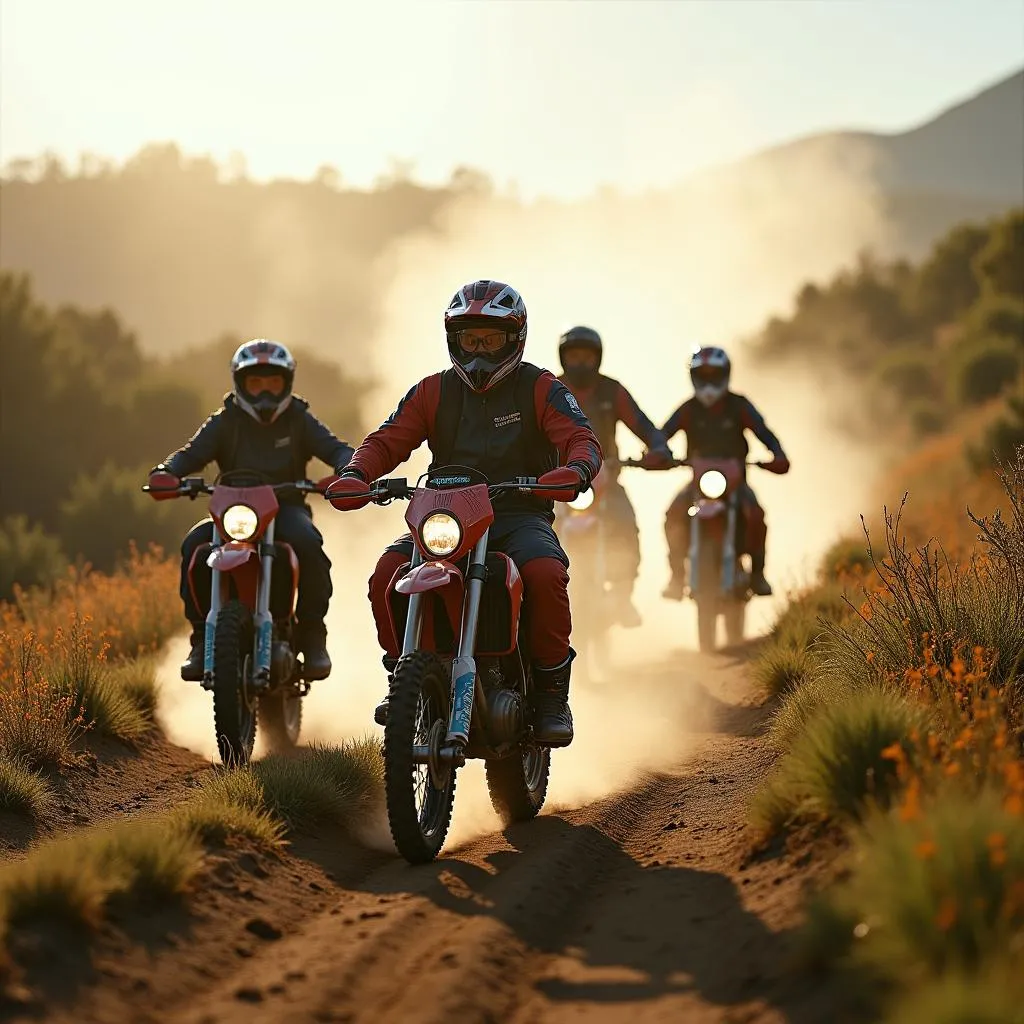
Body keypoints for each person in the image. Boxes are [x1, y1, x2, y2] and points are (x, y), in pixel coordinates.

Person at [328, 280, 603, 747]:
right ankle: (403, 677)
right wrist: (357, 472)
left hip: (518, 515)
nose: (479, 350)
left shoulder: (541, 387)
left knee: (544, 571)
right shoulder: (433, 391)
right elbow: (388, 439)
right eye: (469, 338)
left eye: (491, 339)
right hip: (446, 517)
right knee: (386, 574)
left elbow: (580, 435)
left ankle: (553, 694)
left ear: (514, 339)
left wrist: (577, 467)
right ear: (453, 339)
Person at [147, 339, 354, 681]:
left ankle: (313, 637)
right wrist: (167, 473)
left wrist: (349, 470)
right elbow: (190, 454)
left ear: (286, 382)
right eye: (255, 383)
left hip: (286, 510)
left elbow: (336, 449)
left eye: (272, 382)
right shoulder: (225, 420)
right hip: (232, 514)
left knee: (310, 546)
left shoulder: (298, 419)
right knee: (194, 547)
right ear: (240, 383)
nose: (264, 392)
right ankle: (201, 640)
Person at [556, 325, 672, 627]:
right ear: (563, 358)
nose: (580, 363)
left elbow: (644, 426)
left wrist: (658, 447)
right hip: (558, 483)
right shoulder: (550, 390)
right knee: (541, 534)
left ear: (598, 358)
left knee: (627, 527)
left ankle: (623, 598)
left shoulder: (612, 391)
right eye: (574, 356)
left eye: (587, 357)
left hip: (605, 479)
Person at [660, 346, 790, 600]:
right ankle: (676, 577)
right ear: (693, 378)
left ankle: (758, 574)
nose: (708, 383)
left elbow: (765, 433)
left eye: (714, 375)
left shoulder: (739, 406)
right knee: (673, 514)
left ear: (726, 375)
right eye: (702, 376)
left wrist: (778, 454)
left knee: (756, 514)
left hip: (736, 484)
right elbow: (661, 436)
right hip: (698, 486)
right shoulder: (688, 409)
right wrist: (655, 454)